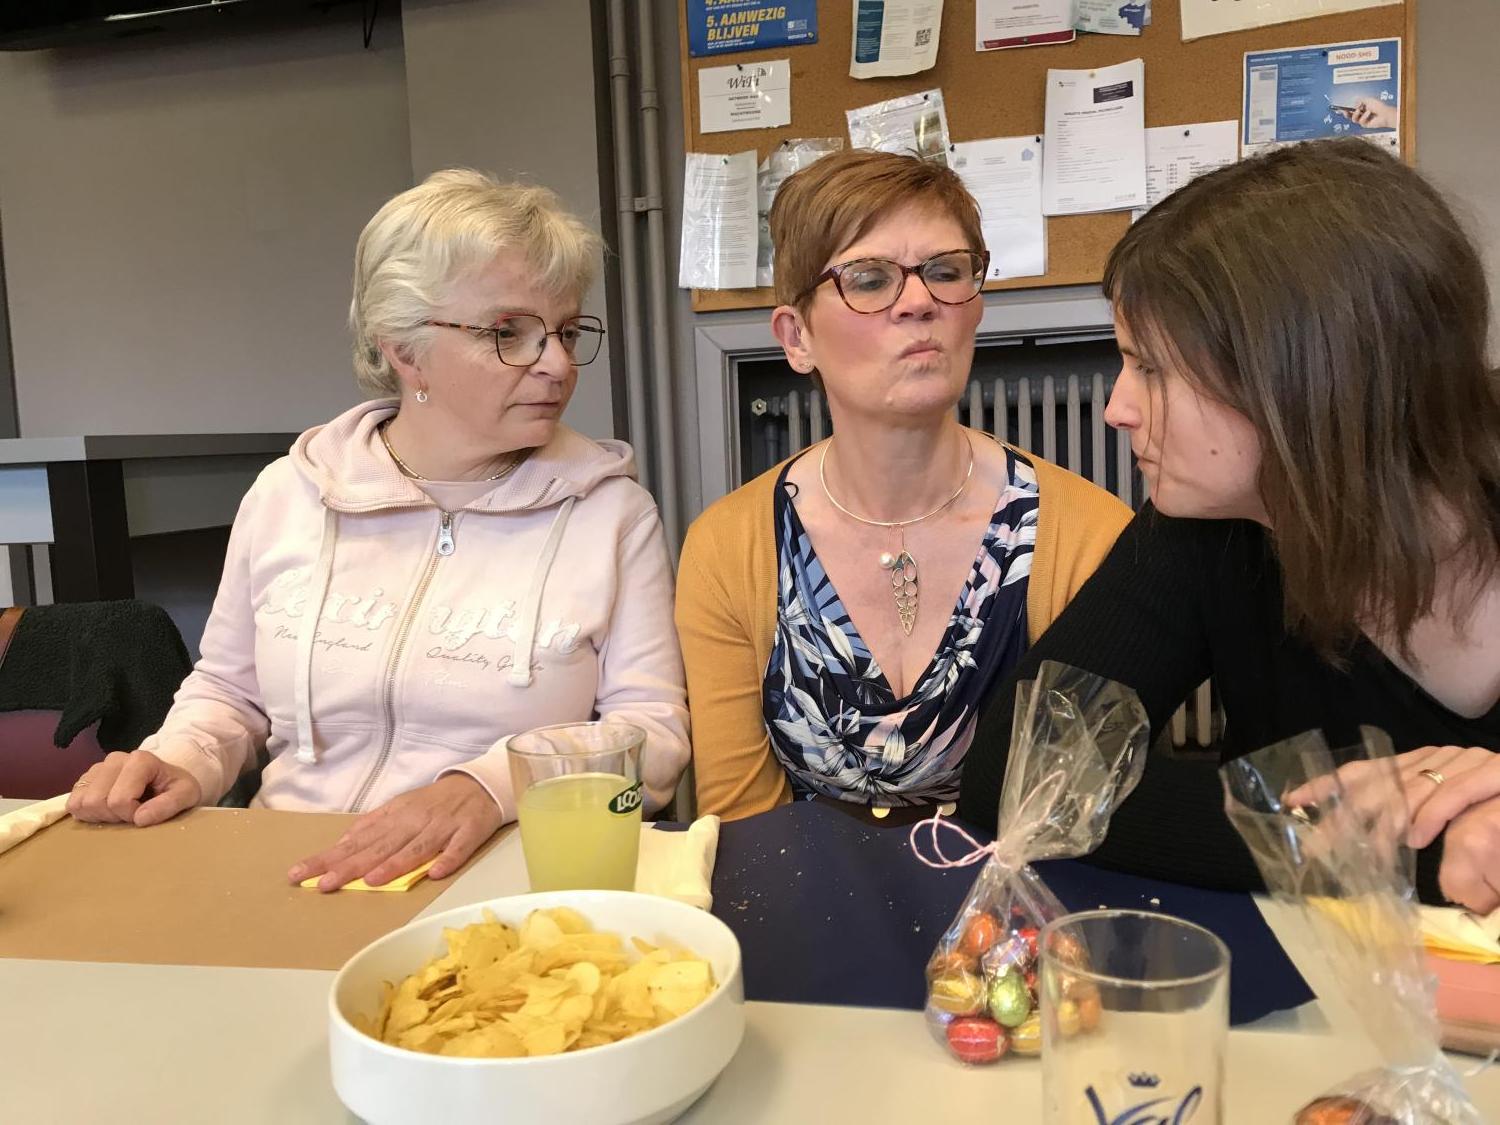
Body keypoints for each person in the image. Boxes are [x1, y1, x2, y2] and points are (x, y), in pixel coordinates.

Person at [66, 170, 690, 890]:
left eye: (567, 332)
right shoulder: (288, 494)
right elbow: (230, 694)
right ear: (403, 346)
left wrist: (490, 788)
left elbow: (654, 734)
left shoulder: (612, 515)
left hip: (497, 878)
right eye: (509, 333)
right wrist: (179, 758)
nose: (556, 364)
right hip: (289, 867)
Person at [958, 139, 1500, 910]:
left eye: (1151, 367)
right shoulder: (1205, 525)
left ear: (1303, 375)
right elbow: (1022, 772)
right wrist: (1402, 844)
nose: (1118, 408)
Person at [676, 149, 1131, 822]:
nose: (919, 301)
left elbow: (1092, 814)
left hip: (1019, 888)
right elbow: (742, 826)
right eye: (868, 279)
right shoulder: (727, 548)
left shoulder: (1088, 535)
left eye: (946, 272)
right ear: (796, 337)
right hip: (799, 886)